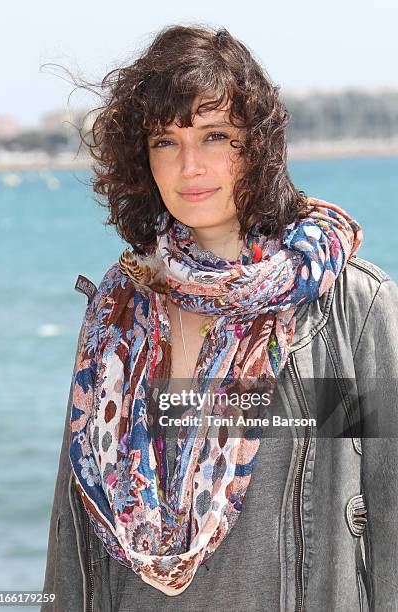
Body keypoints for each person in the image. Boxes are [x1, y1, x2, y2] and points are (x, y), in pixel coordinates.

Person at [41, 24, 398, 612]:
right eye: (164, 141)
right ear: (141, 160)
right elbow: (73, 531)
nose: (189, 166)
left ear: (256, 146)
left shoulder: (351, 308)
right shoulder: (117, 312)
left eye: (214, 136)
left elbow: (386, 509)